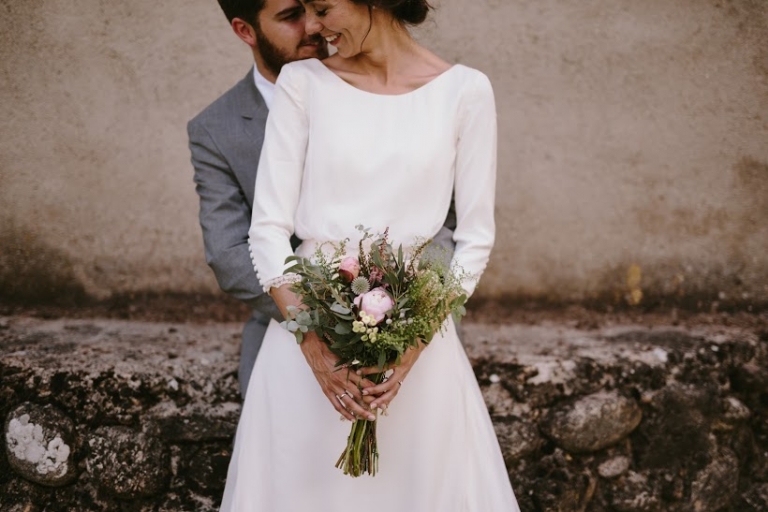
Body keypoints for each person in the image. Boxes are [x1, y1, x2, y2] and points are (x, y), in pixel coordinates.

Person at [222, 0, 520, 510]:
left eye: (322, 7)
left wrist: (413, 345)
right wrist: (312, 343)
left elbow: (475, 237)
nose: (314, 26)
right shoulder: (303, 83)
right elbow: (267, 228)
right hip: (307, 348)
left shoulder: (466, 91)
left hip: (418, 354)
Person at [187, 0, 328, 397]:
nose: (314, 26)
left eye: (316, 8)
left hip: (394, 314)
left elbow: (444, 219)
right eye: (291, 16)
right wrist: (327, 315)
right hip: (283, 318)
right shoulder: (215, 129)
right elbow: (229, 254)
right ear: (246, 31)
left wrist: (395, 306)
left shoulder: (381, 90)